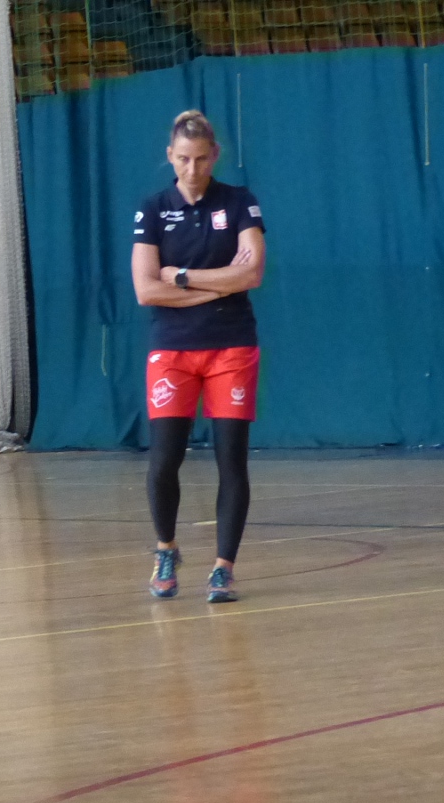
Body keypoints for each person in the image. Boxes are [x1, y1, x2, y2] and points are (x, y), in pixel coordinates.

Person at [130, 110, 267, 604]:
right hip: (172, 350)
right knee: (164, 460)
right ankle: (166, 549)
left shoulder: (239, 202)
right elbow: (146, 290)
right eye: (184, 159)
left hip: (231, 346)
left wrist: (184, 277)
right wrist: (217, 285)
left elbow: (251, 274)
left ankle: (223, 568)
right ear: (170, 156)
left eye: (202, 159)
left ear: (215, 156)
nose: (193, 169)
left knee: (232, 459)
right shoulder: (153, 208)